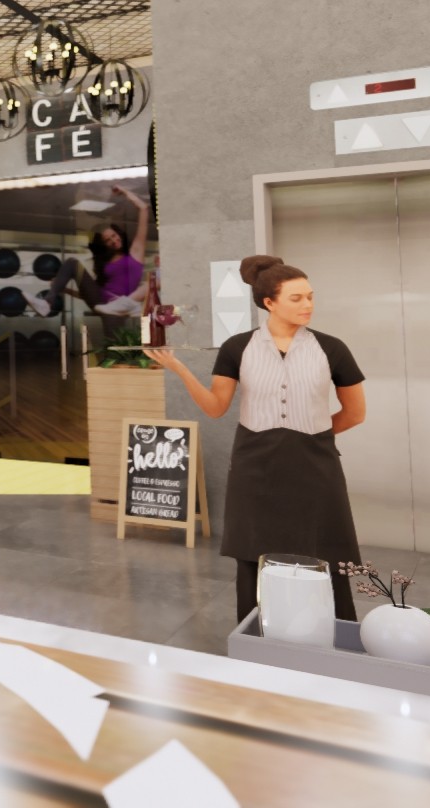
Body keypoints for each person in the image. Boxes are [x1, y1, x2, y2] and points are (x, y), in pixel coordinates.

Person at [146, 255, 368, 625]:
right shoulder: (237, 347)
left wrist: (313, 435)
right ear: (269, 302)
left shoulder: (332, 348)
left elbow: (355, 413)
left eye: (310, 296)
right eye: (296, 298)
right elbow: (216, 407)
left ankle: (335, 633)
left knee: (326, 549)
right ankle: (256, 635)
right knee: (255, 553)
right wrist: (180, 369)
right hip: (254, 467)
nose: (308, 304)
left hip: (316, 466)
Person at [32, 185, 150, 317]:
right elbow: (91, 294)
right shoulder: (106, 263)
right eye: (108, 240)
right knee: (72, 263)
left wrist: (125, 191)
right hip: (102, 304)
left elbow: (143, 208)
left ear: (118, 234)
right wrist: (66, 290)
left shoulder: (136, 252)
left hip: (120, 307)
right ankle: (47, 303)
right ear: (105, 245)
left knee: (115, 332)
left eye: (114, 235)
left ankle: (124, 306)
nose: (113, 240)